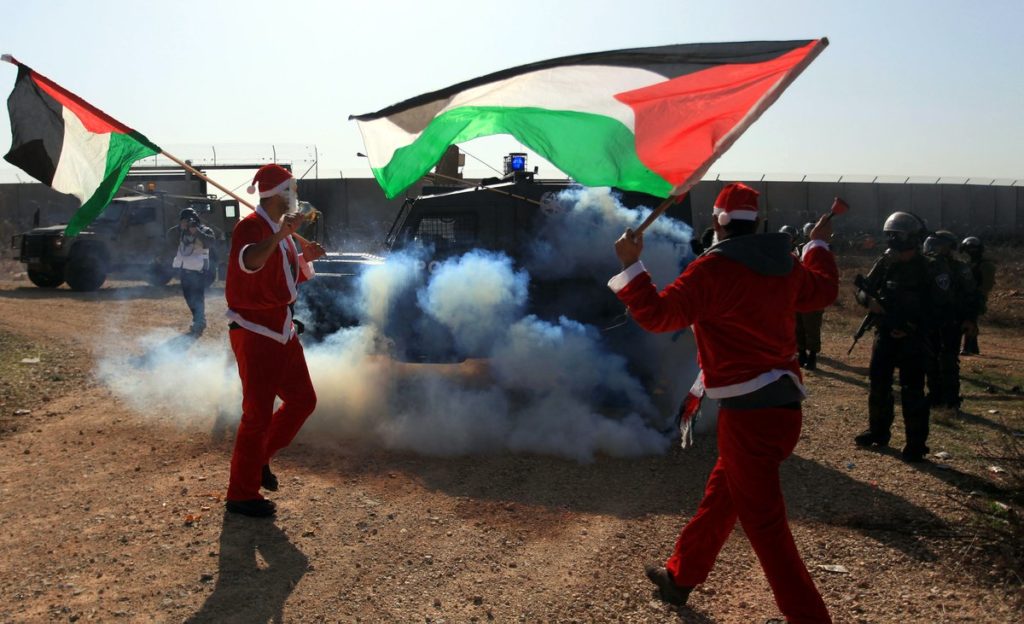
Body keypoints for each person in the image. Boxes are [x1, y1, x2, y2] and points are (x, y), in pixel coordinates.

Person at [610, 183, 837, 623]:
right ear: (760, 223)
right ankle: (680, 579)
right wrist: (818, 244)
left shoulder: (712, 271)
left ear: (717, 222)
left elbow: (657, 316)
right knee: (723, 494)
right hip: (783, 409)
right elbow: (823, 290)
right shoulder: (785, 267)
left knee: (767, 530)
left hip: (749, 418)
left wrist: (631, 264)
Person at [223, 163, 326, 517]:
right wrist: (281, 237)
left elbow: (280, 277)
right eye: (291, 189)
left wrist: (303, 257)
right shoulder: (250, 228)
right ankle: (241, 493)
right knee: (256, 415)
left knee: (302, 400)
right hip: (255, 332)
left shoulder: (276, 231)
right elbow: (250, 261)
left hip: (282, 329)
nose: (295, 195)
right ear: (279, 194)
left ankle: (260, 457)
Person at [853, 212, 934, 462]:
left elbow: (939, 308)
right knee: (878, 385)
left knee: (912, 391)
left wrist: (911, 327)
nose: (895, 246)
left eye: (899, 239)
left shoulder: (928, 268)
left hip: (914, 339)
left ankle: (916, 445)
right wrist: (869, 301)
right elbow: (861, 288)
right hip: (885, 334)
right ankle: (877, 432)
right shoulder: (886, 262)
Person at [922, 231, 978, 418]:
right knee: (930, 360)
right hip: (930, 320)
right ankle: (935, 396)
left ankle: (951, 400)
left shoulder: (959, 269)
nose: (934, 249)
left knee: (947, 361)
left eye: (939, 246)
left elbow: (971, 296)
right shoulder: (928, 266)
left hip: (952, 320)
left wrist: (969, 319)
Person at [172, 207, 216, 336]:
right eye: (184, 220)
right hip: (185, 270)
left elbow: (210, 243)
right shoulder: (181, 231)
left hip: (198, 271)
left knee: (197, 298)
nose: (187, 223)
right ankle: (197, 319)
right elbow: (169, 237)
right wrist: (181, 228)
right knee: (189, 298)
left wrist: (196, 232)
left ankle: (200, 322)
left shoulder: (205, 230)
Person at [796, 222, 826, 370]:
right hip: (798, 294)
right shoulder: (799, 249)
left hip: (813, 295)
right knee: (798, 327)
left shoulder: (821, 251)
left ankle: (812, 356)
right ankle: (801, 354)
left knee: (812, 328)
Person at [959, 236, 996, 355]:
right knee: (968, 320)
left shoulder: (985, 265)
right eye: (969, 249)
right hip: (967, 297)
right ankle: (973, 348)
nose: (971, 252)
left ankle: (968, 348)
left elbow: (987, 285)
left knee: (970, 321)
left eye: (973, 249)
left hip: (976, 297)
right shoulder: (969, 264)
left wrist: (976, 295)